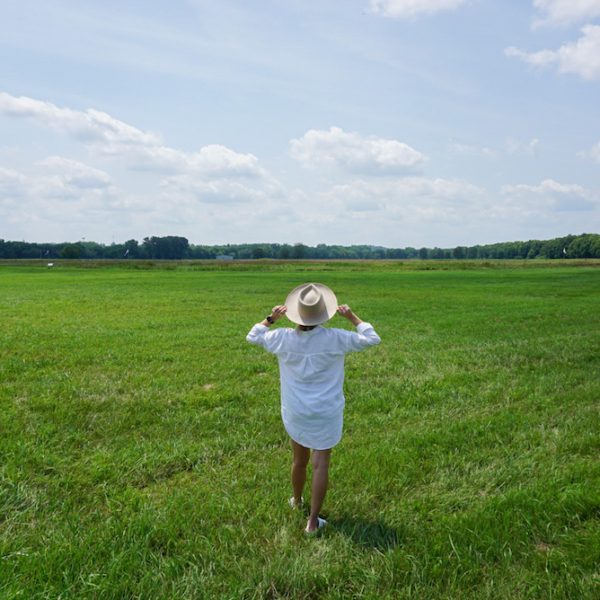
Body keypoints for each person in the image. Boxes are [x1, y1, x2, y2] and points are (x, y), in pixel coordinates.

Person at [246, 282, 381, 533]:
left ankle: (297, 501)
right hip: (327, 411)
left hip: (296, 410)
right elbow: (372, 338)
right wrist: (352, 317)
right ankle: (312, 522)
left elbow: (252, 336)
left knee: (299, 460)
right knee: (321, 465)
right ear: (323, 314)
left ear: (295, 313)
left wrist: (270, 319)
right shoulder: (336, 338)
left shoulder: (281, 338)